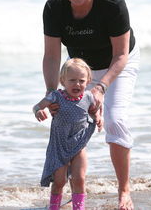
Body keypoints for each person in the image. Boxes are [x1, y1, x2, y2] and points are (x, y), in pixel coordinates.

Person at [41, 0, 140, 210]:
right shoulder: (54, 8)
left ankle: (124, 190)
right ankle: (75, 189)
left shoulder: (111, 1)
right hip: (80, 70)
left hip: (117, 63)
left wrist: (101, 87)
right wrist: (51, 93)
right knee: (67, 122)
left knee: (115, 118)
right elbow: (52, 56)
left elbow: (121, 55)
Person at [33, 58, 103, 210]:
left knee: (79, 179)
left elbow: (94, 110)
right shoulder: (55, 96)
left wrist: (98, 118)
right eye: (72, 80)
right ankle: (54, 208)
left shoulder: (89, 97)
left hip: (79, 143)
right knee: (59, 181)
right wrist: (39, 111)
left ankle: (79, 208)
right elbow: (37, 106)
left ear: (88, 80)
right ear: (63, 81)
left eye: (81, 80)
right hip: (59, 145)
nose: (77, 84)